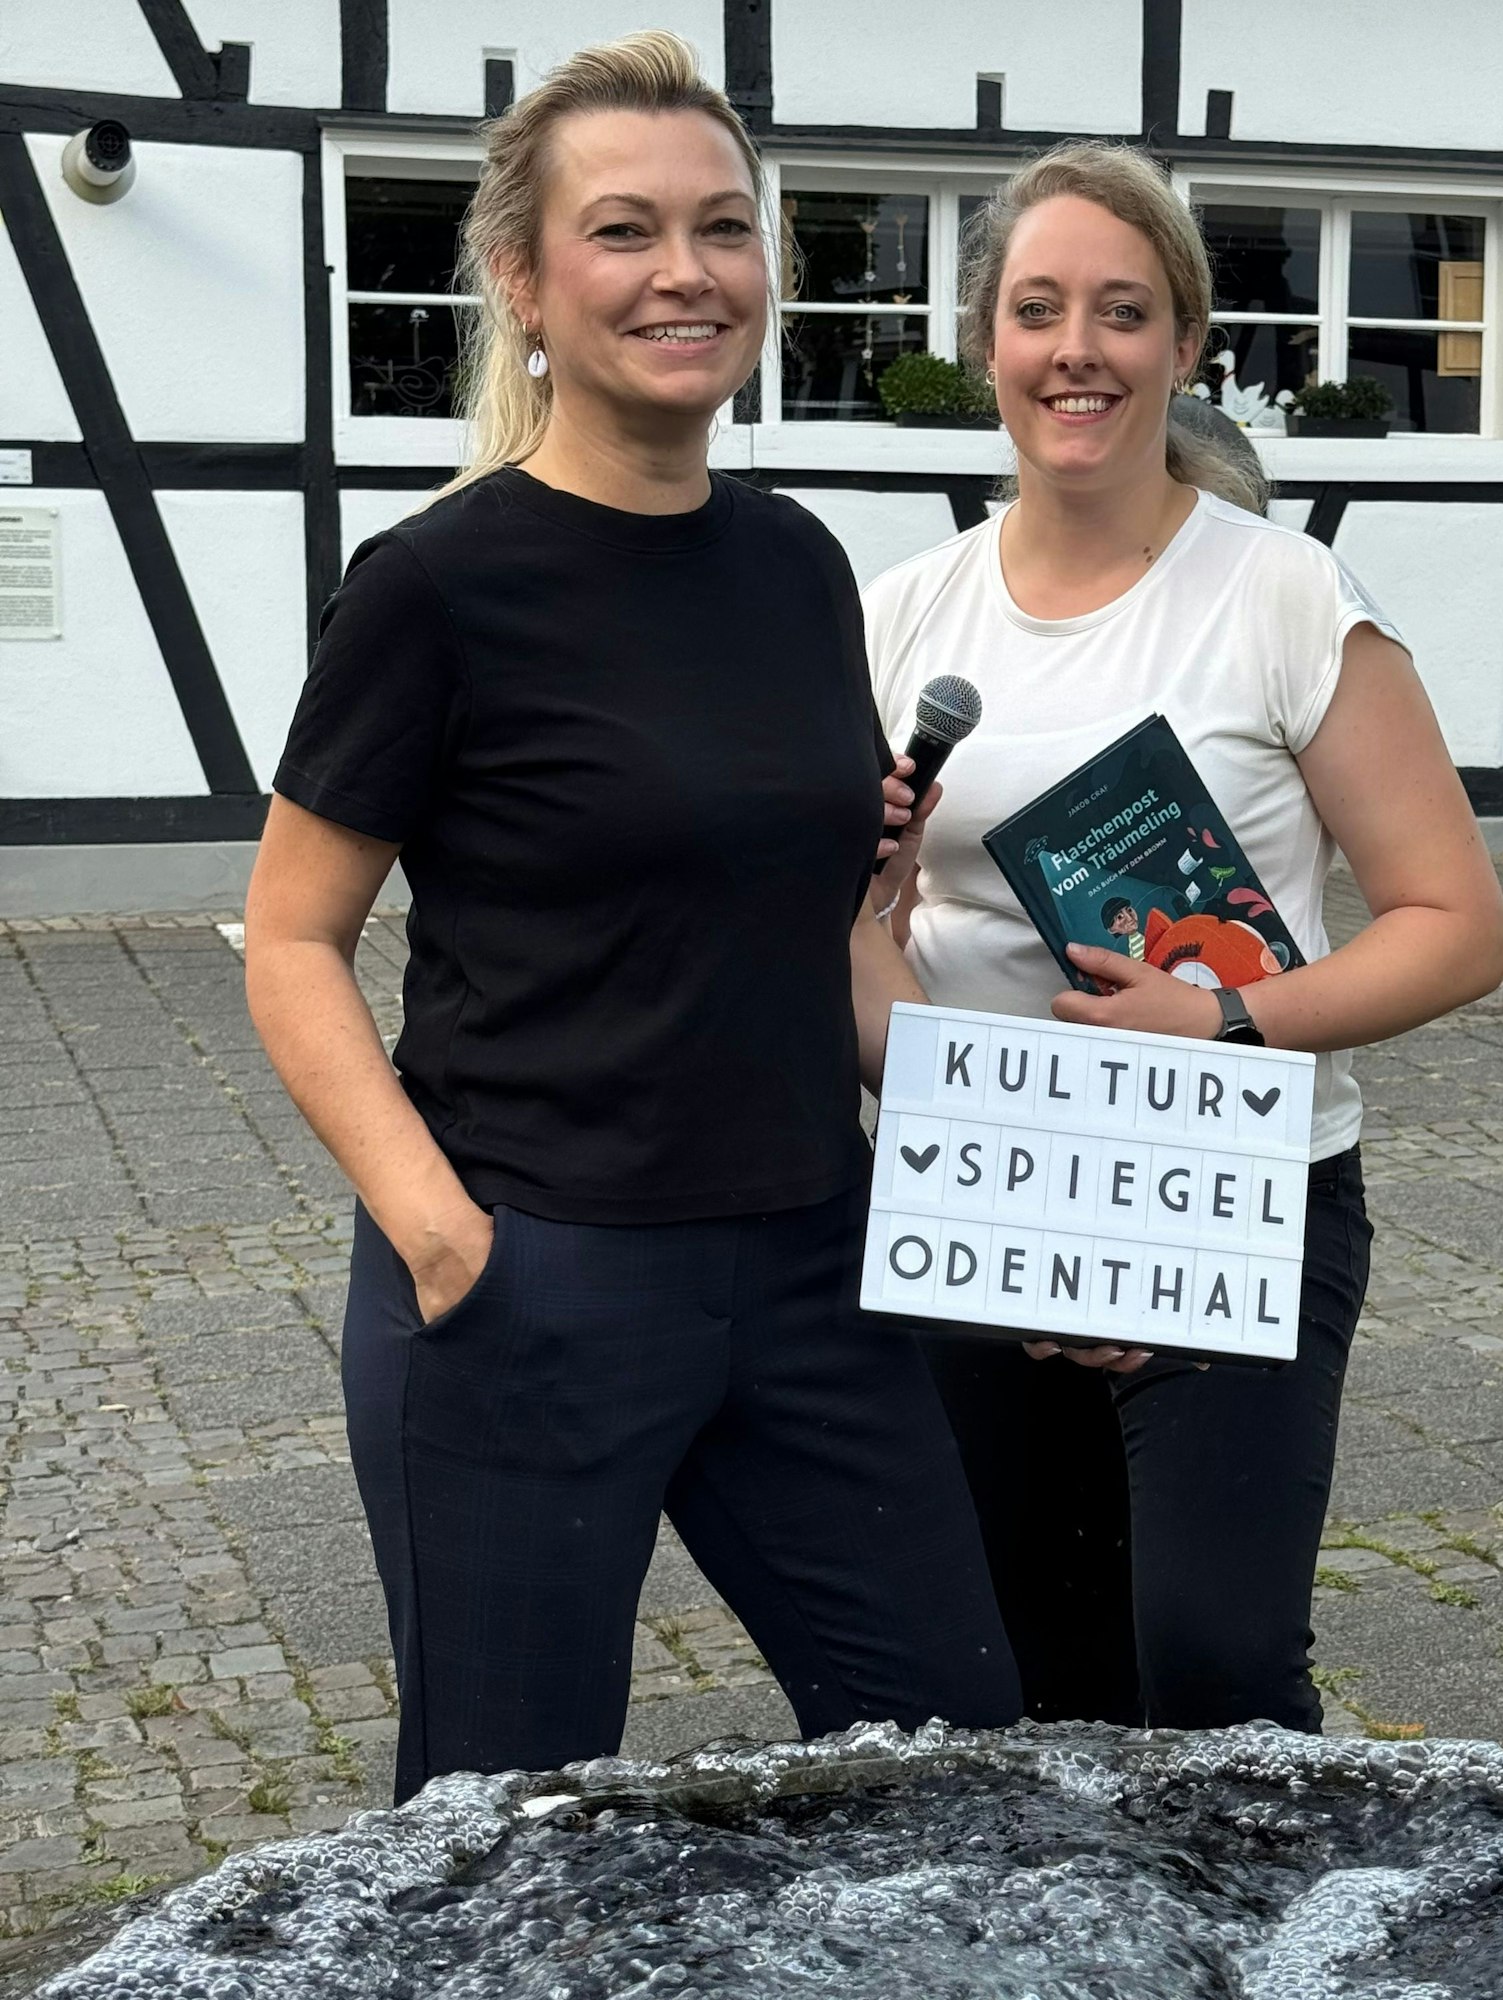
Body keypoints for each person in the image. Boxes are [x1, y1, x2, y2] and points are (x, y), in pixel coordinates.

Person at [244, 30, 1017, 1804]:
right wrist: (443, 1236)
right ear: (522, 277)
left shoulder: (799, 564)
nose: (686, 271)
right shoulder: (436, 585)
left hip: (816, 1264)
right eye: (624, 230)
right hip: (538, 1278)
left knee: (958, 1759)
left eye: (725, 228)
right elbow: (291, 940)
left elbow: (826, 923)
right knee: (501, 1817)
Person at [867, 143, 1503, 1732]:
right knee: (1016, 1674)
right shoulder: (902, 612)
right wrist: (851, 920)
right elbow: (871, 950)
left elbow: (1456, 928)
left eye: (1121, 310)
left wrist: (1222, 1025)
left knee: (1213, 1665)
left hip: (1231, 1184)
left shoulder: (1284, 597)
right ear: (987, 345)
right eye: (1036, 310)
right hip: (980, 1183)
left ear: (1185, 344)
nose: (1075, 348)